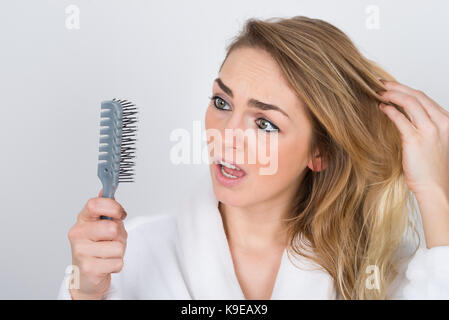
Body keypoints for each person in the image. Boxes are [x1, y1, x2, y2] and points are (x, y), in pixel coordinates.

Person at [58, 16, 449, 300]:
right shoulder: (133, 253)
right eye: (221, 102)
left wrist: (434, 191)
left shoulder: (380, 271)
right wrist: (85, 293)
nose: (226, 135)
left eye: (265, 123)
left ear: (320, 152)